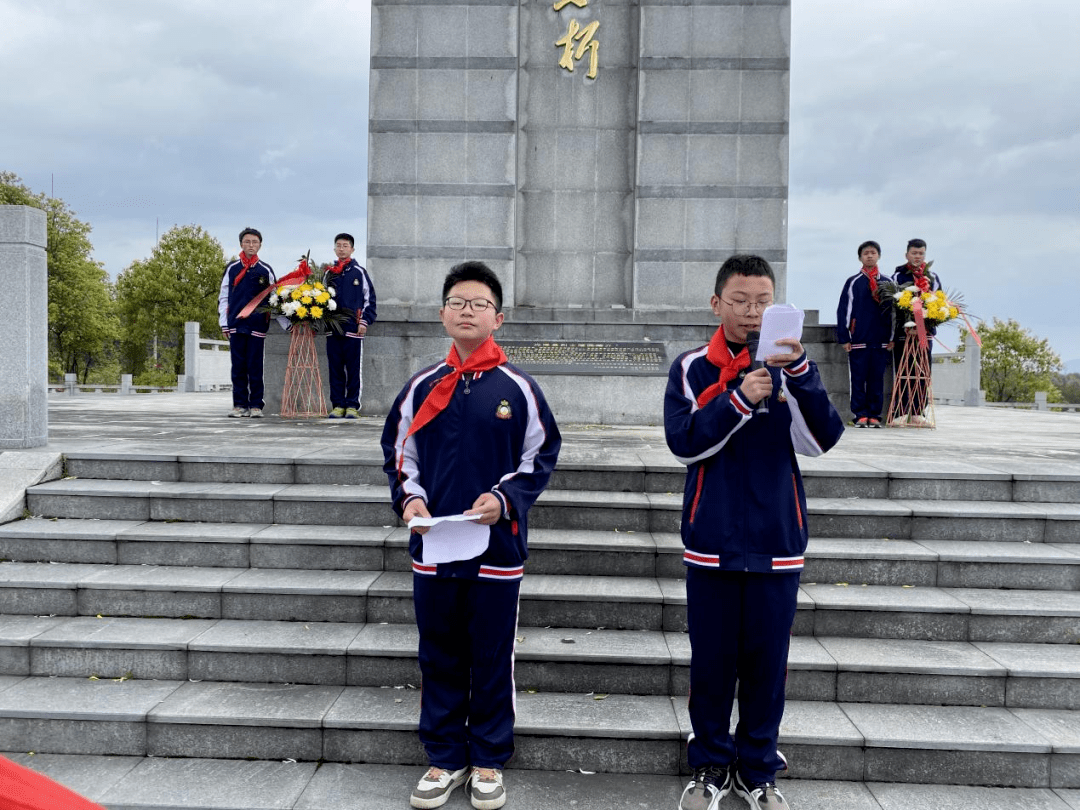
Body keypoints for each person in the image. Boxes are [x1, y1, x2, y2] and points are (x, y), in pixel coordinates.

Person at [665, 255, 844, 810]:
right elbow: (685, 443)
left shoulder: (794, 370)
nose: (750, 311)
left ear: (776, 306)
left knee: (767, 666)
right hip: (712, 539)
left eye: (762, 301)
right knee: (712, 662)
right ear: (716, 303)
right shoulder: (692, 368)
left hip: (776, 539)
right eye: (739, 300)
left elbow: (821, 441)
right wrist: (740, 398)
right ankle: (711, 766)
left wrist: (801, 380)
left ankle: (759, 769)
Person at [381, 261, 561, 810]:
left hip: (496, 546)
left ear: (498, 319)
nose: (467, 311)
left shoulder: (519, 389)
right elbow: (398, 455)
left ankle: (486, 757)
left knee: (489, 653)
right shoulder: (420, 387)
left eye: (478, 304)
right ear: (442, 314)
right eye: (458, 302)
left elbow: (542, 455)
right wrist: (409, 499)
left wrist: (504, 500)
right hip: (434, 545)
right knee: (438, 652)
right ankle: (443, 757)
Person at [835, 240, 894, 427]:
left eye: (873, 252)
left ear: (879, 256)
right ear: (860, 257)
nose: (870, 255)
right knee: (858, 379)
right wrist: (844, 337)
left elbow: (894, 312)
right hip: (858, 340)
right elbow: (844, 310)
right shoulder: (853, 282)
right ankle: (860, 414)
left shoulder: (888, 282)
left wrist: (892, 337)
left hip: (881, 340)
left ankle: (875, 415)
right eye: (866, 253)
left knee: (877, 379)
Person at [218, 227, 275, 418]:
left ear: (260, 245)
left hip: (257, 325)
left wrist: (286, 322)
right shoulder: (232, 268)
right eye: (247, 242)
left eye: (255, 242)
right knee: (238, 366)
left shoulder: (265, 270)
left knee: (255, 366)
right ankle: (239, 404)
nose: (251, 245)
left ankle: (256, 405)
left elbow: (275, 299)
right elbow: (223, 297)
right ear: (241, 243)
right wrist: (224, 323)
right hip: (236, 325)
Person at [323, 233, 376, 418]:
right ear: (334, 249)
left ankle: (352, 405)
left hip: (353, 330)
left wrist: (364, 321)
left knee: (353, 369)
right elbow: (321, 300)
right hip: (333, 330)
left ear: (352, 249)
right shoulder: (328, 273)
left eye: (345, 245)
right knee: (335, 368)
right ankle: (337, 405)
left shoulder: (359, 272)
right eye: (338, 245)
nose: (341, 248)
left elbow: (370, 299)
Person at [891, 238, 941, 423]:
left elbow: (938, 302)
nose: (917, 256)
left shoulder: (933, 277)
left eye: (921, 253)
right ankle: (901, 411)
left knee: (922, 372)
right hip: (904, 334)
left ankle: (918, 412)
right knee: (903, 371)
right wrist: (907, 324)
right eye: (914, 253)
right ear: (907, 255)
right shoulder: (898, 277)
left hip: (924, 333)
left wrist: (926, 323)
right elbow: (894, 305)